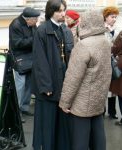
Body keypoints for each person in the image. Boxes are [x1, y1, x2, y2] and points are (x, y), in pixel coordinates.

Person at [59, 10, 112, 150]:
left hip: (82, 102)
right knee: (98, 135)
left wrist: (65, 102)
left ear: (87, 23)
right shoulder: (105, 42)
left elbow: (73, 78)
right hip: (99, 98)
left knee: (80, 140)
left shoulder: (83, 45)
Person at [31, 0, 74, 150]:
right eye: (60, 11)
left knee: (62, 123)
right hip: (49, 86)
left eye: (64, 10)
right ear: (51, 11)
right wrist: (46, 85)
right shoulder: (41, 31)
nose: (64, 13)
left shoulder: (66, 30)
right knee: (48, 124)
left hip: (63, 83)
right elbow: (39, 61)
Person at [9, 7, 40, 120]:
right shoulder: (15, 24)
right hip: (20, 59)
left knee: (28, 84)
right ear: (28, 19)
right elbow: (17, 43)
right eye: (35, 19)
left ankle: (24, 108)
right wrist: (34, 39)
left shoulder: (32, 24)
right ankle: (17, 112)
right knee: (20, 86)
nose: (37, 21)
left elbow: (35, 36)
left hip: (31, 58)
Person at [103, 6, 119, 119]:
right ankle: (101, 111)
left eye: (115, 17)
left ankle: (112, 112)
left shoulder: (116, 30)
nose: (114, 19)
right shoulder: (101, 29)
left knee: (113, 87)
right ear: (106, 17)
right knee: (103, 87)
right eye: (112, 17)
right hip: (102, 62)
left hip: (113, 61)